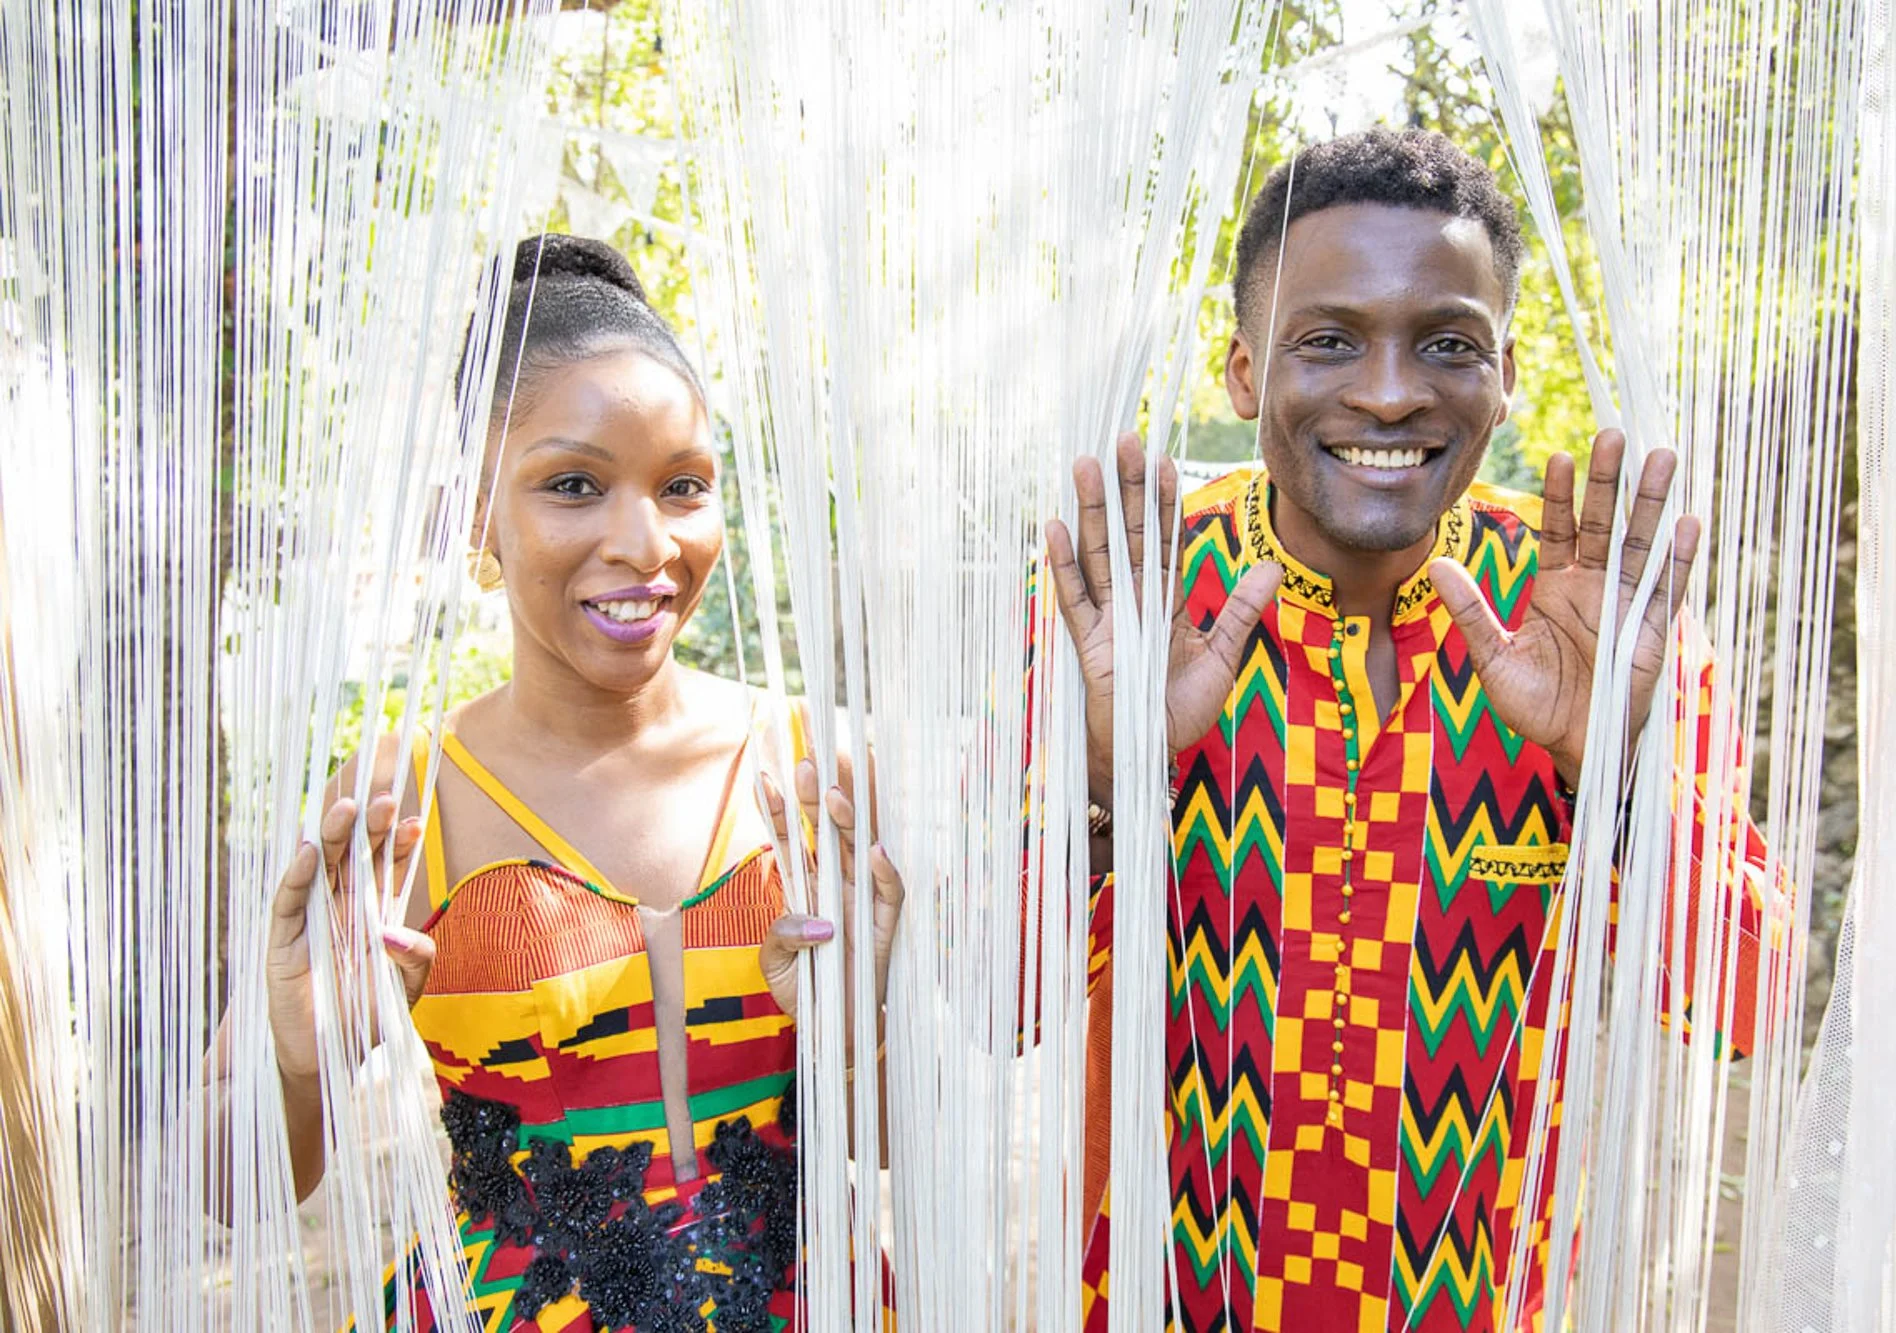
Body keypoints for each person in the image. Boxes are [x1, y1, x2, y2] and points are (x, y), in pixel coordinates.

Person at [1046, 128, 1778, 1332]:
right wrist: (1106, 781)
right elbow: (985, 1006)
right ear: (1241, 372)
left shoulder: (1590, 623)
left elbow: (1739, 1006)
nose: (1388, 392)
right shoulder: (1128, 606)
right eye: (1327, 340)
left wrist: (1620, 775)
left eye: (1445, 344)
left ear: (1501, 373)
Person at [204, 236, 900, 1333]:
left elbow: (897, 1140)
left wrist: (855, 1033)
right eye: (573, 484)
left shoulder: (812, 768)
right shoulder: (402, 801)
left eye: (683, 486)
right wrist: (296, 1058)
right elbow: (224, 1186)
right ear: (476, 517)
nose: (644, 541)